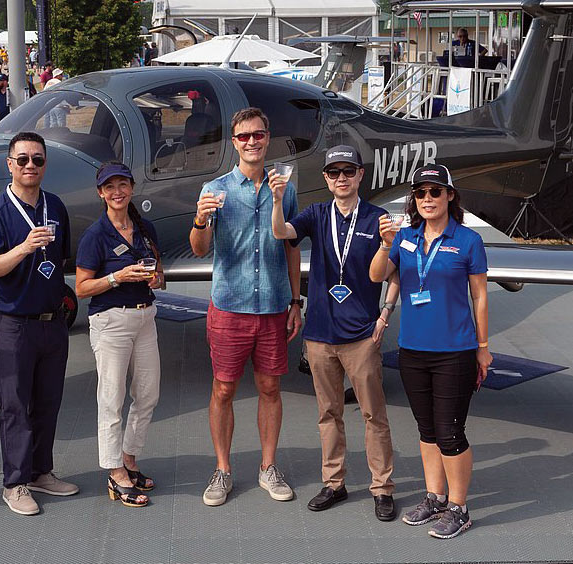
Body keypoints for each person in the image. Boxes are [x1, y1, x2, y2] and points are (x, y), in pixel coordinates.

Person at [270, 145, 399, 522]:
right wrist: (278, 200)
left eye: (348, 171)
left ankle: (382, 487)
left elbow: (395, 273)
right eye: (333, 173)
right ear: (325, 179)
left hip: (361, 336)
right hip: (320, 335)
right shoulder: (315, 214)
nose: (341, 178)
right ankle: (334, 482)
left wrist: (385, 313)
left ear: (361, 174)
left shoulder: (378, 219)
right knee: (328, 413)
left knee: (374, 414)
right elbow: (281, 232)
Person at [369, 164, 491, 539]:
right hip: (413, 351)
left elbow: (480, 296)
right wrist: (386, 243)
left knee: (450, 431)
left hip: (455, 350)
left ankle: (459, 507)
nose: (427, 199)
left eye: (435, 192)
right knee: (426, 430)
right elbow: (376, 275)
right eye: (420, 193)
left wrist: (483, 349)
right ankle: (435, 497)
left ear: (450, 196)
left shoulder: (468, 241)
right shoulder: (404, 239)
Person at [190, 107, 302, 507]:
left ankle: (267, 466)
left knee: (270, 387)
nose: (251, 142)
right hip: (230, 307)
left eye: (258, 134)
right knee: (223, 389)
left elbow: (291, 247)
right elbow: (200, 249)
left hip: (272, 304)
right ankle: (222, 469)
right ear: (233, 142)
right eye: (243, 137)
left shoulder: (285, 188)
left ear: (267, 137)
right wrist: (200, 221)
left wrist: (294, 300)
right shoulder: (214, 188)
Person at [0, 131, 79, 515]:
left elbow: (61, 258)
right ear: (10, 165)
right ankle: (15, 482)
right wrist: (23, 248)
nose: (30, 166)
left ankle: (40, 472)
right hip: (14, 324)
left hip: (53, 322)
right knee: (15, 406)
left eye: (37, 159)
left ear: (45, 164)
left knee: (48, 402)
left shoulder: (56, 205)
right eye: (22, 160)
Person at [75, 162, 165, 508]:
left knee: (148, 395)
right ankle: (115, 473)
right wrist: (116, 278)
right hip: (111, 322)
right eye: (109, 187)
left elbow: (159, 273)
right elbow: (82, 288)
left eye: (122, 185)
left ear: (131, 188)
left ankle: (129, 457)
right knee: (111, 400)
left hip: (145, 318)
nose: (117, 192)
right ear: (101, 193)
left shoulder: (145, 229)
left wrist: (155, 279)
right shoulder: (95, 236)